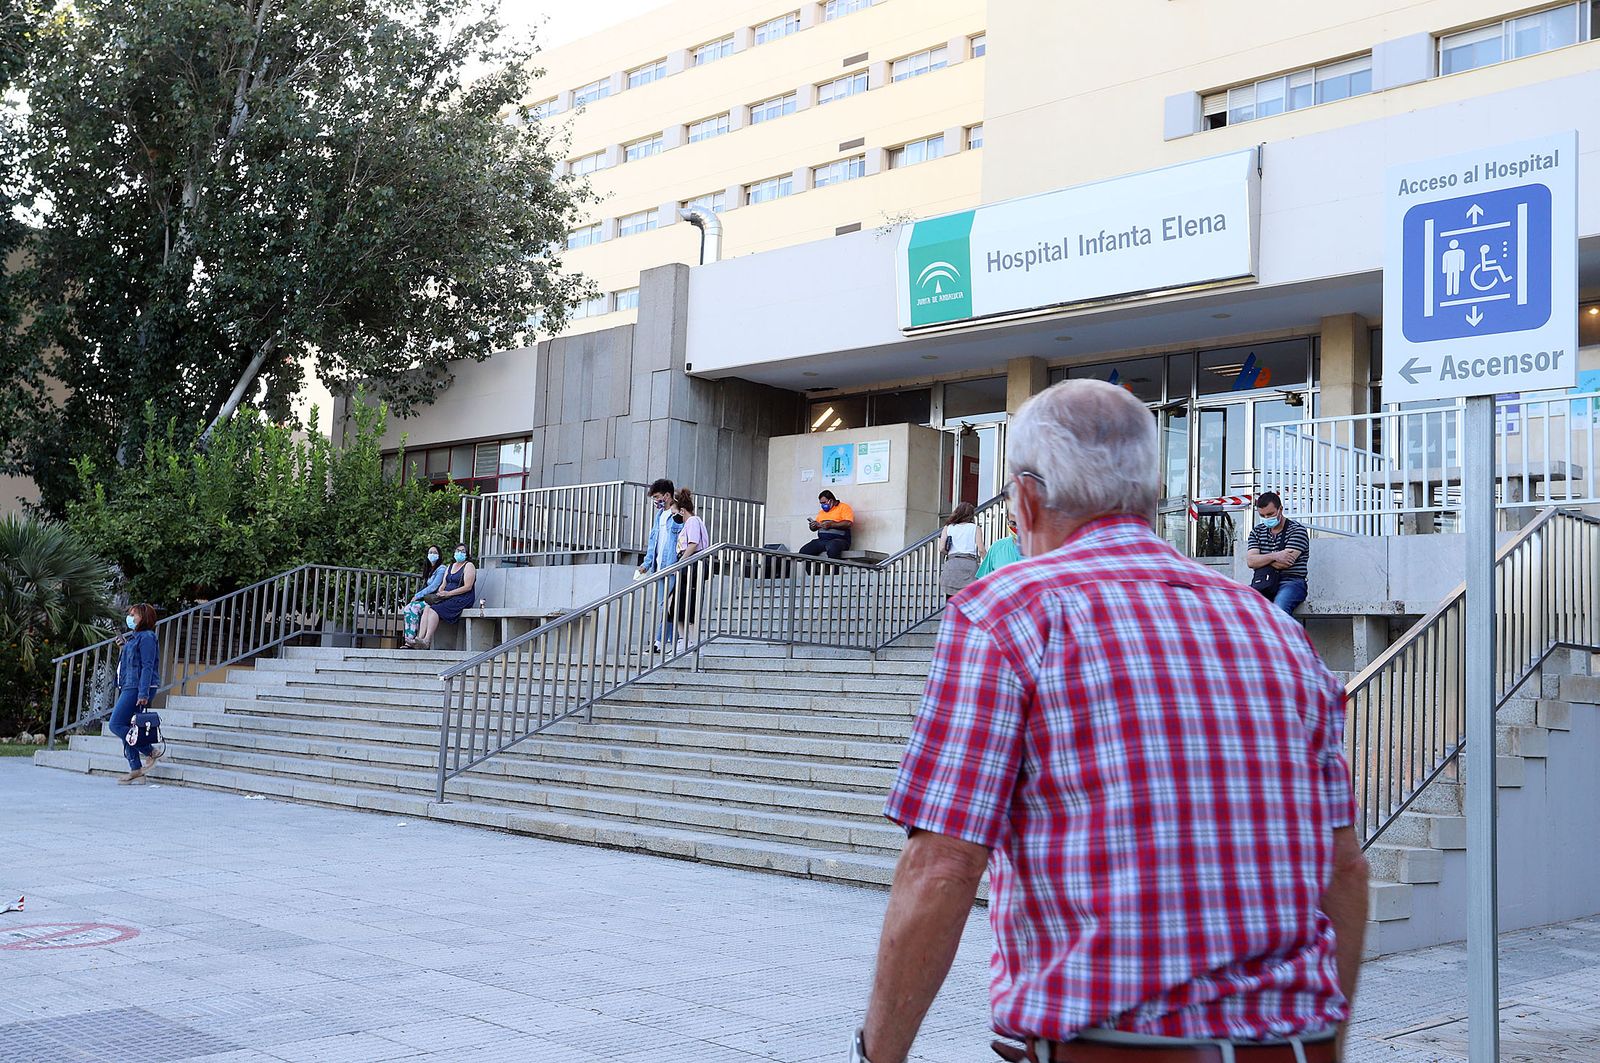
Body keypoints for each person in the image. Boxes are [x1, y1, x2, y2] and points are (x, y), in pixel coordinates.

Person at [856, 380, 1366, 1063]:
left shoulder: (1007, 612)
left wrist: (877, 1055)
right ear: (1149, 496)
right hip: (1298, 1046)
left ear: (1027, 499)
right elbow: (1344, 871)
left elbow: (943, 865)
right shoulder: (1275, 631)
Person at [111, 603, 162, 784]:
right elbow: (133, 663)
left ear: (144, 618)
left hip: (138, 687)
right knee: (128, 727)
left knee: (116, 724)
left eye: (135, 615)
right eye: (130, 614)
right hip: (129, 685)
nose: (131, 618)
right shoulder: (134, 637)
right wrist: (124, 648)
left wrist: (143, 692)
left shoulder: (147, 637)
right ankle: (135, 768)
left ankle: (150, 751)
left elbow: (147, 665)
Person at [659, 488, 709, 651]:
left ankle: (693, 642)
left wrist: (681, 561)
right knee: (675, 604)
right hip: (688, 565)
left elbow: (693, 543)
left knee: (688, 604)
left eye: (675, 513)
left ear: (682, 510)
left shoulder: (693, 521)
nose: (674, 517)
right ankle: (683, 639)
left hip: (692, 565)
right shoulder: (690, 522)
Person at [1247, 491, 1311, 615]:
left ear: (1280, 509)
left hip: (1292, 582)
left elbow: (1285, 563)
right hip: (1263, 582)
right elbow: (1251, 561)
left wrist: (1260, 560)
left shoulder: (1297, 530)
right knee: (1242, 606)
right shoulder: (1257, 532)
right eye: (1263, 515)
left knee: (1279, 610)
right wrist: (1275, 556)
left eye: (1270, 514)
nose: (1267, 518)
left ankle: (1287, 634)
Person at [413, 544, 476, 649]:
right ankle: (419, 638)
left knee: (434, 609)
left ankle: (427, 639)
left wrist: (448, 593)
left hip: (462, 597)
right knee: (427, 607)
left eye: (462, 551)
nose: (459, 553)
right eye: (457, 550)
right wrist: (441, 592)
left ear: (467, 554)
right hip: (447, 596)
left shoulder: (469, 565)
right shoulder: (450, 566)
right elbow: (443, 584)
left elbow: (468, 587)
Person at [937, 502, 983, 599]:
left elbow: (941, 548)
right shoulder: (975, 528)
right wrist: (988, 564)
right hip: (970, 564)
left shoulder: (948, 528)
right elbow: (981, 550)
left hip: (952, 564)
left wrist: (948, 553)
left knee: (951, 600)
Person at [401, 546, 445, 647]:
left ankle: (412, 640)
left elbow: (434, 586)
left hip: (435, 599)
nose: (432, 554)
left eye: (435, 552)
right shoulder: (430, 569)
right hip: (428, 599)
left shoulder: (441, 569)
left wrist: (417, 595)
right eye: (430, 552)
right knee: (408, 608)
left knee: (415, 607)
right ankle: (408, 639)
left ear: (439, 555)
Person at [636, 479, 678, 579]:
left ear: (667, 495)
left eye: (656, 497)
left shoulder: (678, 514)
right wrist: (646, 564)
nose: (655, 500)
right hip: (659, 569)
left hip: (672, 568)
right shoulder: (659, 516)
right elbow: (653, 544)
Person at [798, 490, 855, 560]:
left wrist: (832, 524)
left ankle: (835, 570)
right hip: (823, 540)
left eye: (824, 502)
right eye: (821, 503)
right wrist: (813, 526)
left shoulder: (844, 507)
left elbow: (848, 523)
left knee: (832, 547)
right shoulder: (821, 512)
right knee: (804, 552)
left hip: (840, 540)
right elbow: (815, 528)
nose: (822, 505)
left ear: (831, 500)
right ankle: (815, 571)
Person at [974, 513, 1022, 579]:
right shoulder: (996, 547)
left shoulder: (1040, 550)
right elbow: (984, 581)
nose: (1018, 527)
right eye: (1013, 523)